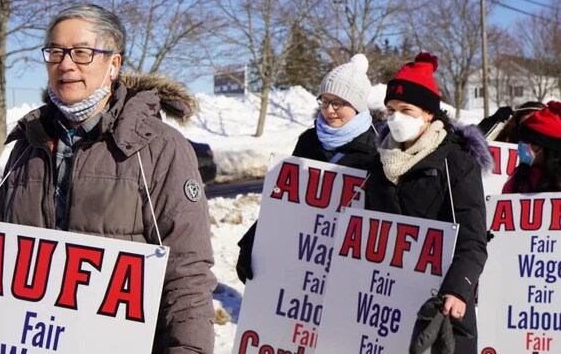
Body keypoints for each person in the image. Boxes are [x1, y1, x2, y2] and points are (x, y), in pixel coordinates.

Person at [0, 4, 216, 353]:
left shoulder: (159, 148)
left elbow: (186, 274)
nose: (65, 64)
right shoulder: (27, 145)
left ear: (113, 65)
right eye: (55, 53)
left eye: (82, 53)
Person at [364, 52, 492, 354]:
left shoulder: (457, 164)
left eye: (406, 110)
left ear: (429, 114)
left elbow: (473, 240)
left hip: (438, 307)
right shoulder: (378, 163)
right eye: (390, 110)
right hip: (382, 303)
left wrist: (457, 289)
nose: (395, 118)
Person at [236, 53, 377, 283]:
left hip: (347, 262)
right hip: (303, 254)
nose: (329, 110)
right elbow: (282, 200)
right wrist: (252, 242)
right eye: (324, 101)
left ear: (357, 104)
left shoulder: (375, 150)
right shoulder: (309, 141)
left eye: (338, 103)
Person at [502, 101, 561, 194]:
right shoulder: (516, 181)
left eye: (527, 142)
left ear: (544, 146)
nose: (521, 146)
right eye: (521, 141)